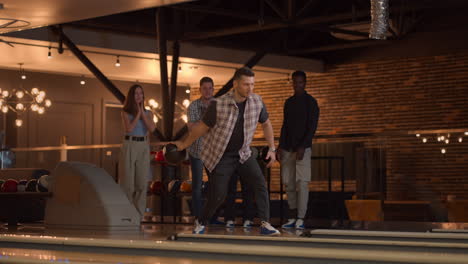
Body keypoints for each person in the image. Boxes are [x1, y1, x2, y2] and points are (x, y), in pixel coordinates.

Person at [172, 67, 280, 235]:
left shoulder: (257, 101)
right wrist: (183, 145)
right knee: (218, 195)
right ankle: (201, 221)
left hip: (243, 153)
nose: (250, 89)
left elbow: (266, 124)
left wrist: (272, 149)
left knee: (259, 183)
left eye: (252, 84)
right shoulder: (219, 104)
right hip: (221, 155)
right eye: (246, 85)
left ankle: (265, 224)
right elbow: (201, 128)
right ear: (235, 84)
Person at [278, 70, 320, 230]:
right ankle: (292, 215)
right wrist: (281, 145)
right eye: (295, 82)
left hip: (303, 148)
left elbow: (312, 127)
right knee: (288, 183)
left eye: (300, 82)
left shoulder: (311, 102)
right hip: (288, 148)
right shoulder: (288, 102)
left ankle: (301, 217)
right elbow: (285, 125)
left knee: (302, 183)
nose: (297, 85)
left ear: (305, 83)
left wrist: (303, 145)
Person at [187, 77, 224, 226]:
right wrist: (208, 122)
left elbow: (220, 126)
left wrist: (203, 124)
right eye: (205, 88)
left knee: (215, 186)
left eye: (210, 88)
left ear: (213, 89)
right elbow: (192, 127)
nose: (208, 91)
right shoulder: (194, 105)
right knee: (197, 186)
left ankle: (212, 217)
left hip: (214, 150)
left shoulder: (219, 104)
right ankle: (198, 218)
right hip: (197, 150)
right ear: (200, 89)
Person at [119, 84, 156, 218]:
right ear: (131, 96)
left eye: (141, 93)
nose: (139, 96)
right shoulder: (125, 112)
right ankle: (126, 215)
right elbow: (129, 129)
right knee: (127, 183)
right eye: (136, 93)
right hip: (129, 144)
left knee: (141, 183)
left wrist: (143, 114)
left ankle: (138, 216)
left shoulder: (149, 113)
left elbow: (151, 129)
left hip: (143, 146)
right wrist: (138, 114)